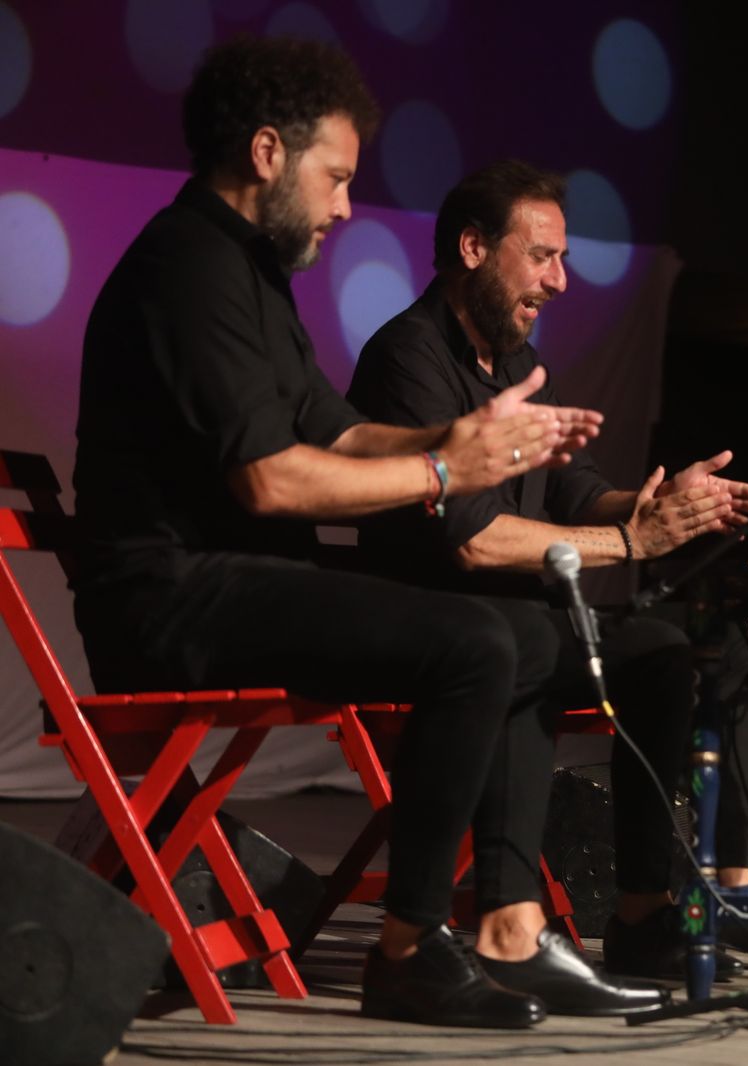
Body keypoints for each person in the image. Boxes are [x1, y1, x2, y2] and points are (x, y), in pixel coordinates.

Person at [66, 36, 657, 1030]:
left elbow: (335, 429)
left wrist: (466, 435)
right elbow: (268, 477)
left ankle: (504, 920)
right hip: (168, 599)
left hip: (228, 581)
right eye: (335, 177)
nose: (346, 205)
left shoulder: (249, 270)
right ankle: (409, 945)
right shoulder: (188, 268)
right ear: (266, 153)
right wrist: (442, 472)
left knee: (517, 634)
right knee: (473, 641)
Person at [346, 160, 748, 978]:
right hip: (433, 621)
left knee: (661, 652)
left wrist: (646, 504)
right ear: (473, 248)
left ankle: (642, 912)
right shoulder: (407, 358)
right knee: (522, 642)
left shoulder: (512, 361)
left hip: (512, 616)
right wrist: (634, 542)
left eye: (564, 259)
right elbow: (468, 539)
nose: (560, 280)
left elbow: (565, 488)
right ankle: (500, 923)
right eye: (543, 256)